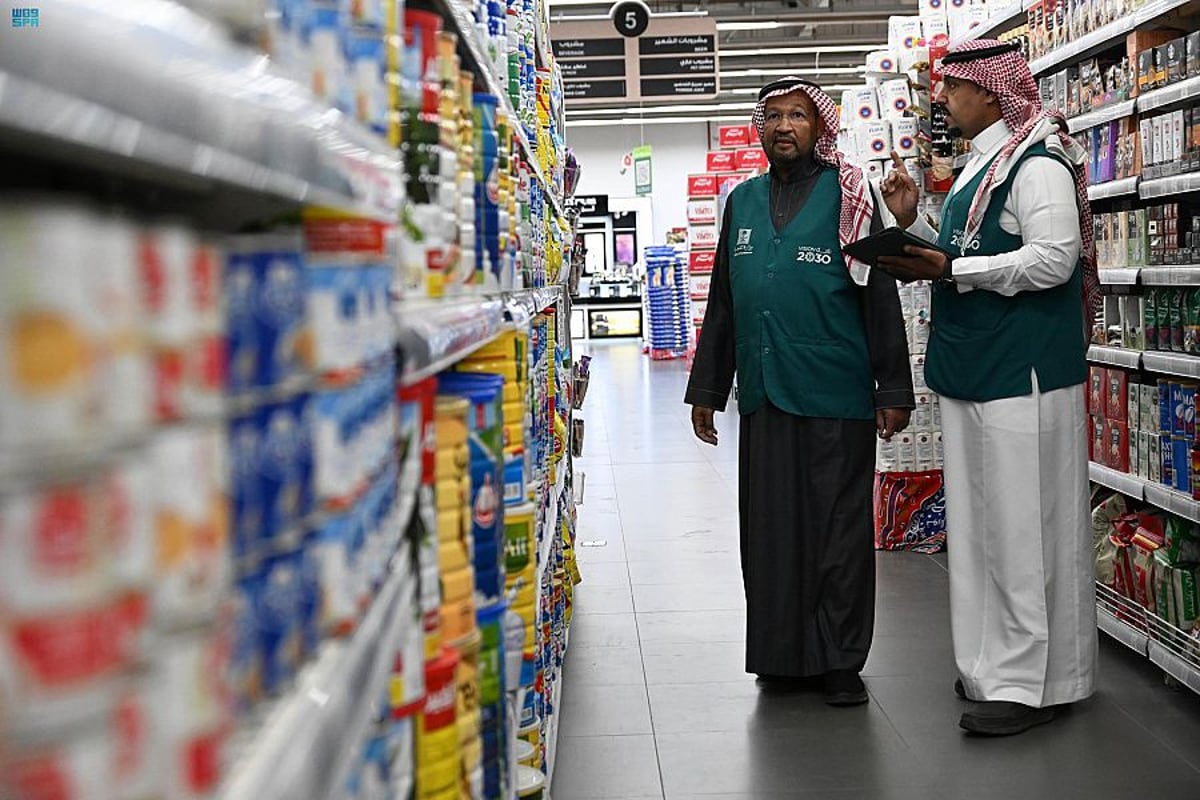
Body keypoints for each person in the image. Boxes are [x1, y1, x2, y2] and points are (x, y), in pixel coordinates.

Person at [877, 39, 1100, 736]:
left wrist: (950, 271)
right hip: (977, 368)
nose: (941, 99)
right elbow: (970, 250)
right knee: (980, 530)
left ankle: (1035, 684)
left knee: (1024, 530)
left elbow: (1055, 259)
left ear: (991, 90)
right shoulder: (983, 164)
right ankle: (990, 665)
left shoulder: (1038, 164)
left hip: (1023, 374)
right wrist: (914, 225)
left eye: (952, 88)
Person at [684, 77, 915, 707]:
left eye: (798, 116)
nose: (784, 126)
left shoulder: (851, 196)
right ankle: (781, 655)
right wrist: (708, 388)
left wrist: (893, 387)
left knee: (838, 533)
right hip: (765, 393)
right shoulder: (741, 202)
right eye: (774, 116)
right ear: (760, 128)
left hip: (835, 392)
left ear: (820, 128)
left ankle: (839, 660)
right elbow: (724, 301)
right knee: (770, 531)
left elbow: (879, 293)